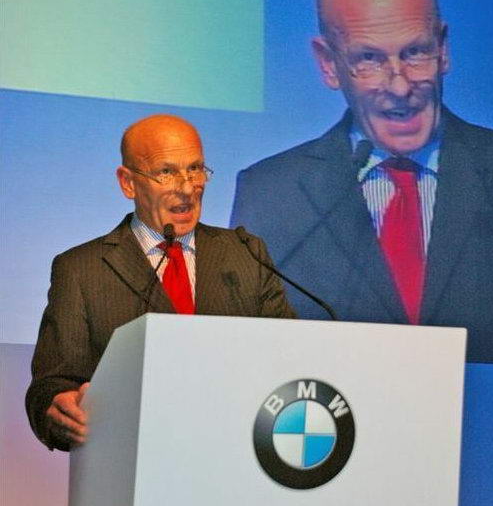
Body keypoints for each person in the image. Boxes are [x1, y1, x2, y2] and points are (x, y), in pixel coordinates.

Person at [231, 0, 493, 364]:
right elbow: (243, 353)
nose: (399, 86)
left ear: (443, 49)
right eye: (369, 59)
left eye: (415, 52)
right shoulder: (271, 194)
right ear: (329, 64)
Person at [26, 114, 295, 451]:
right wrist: (57, 409)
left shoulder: (246, 253)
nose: (187, 187)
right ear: (128, 183)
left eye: (195, 169)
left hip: (237, 450)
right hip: (131, 455)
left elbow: (289, 355)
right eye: (166, 172)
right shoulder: (81, 269)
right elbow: (52, 385)